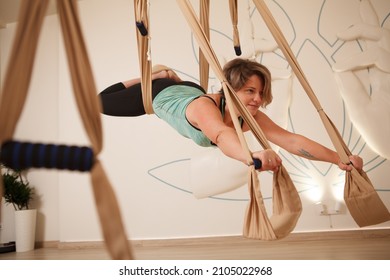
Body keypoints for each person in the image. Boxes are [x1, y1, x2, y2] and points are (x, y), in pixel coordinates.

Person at [98, 58, 363, 172]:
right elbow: (222, 134)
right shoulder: (205, 108)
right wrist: (252, 155)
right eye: (250, 91)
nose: (258, 99)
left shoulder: (251, 116)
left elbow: (290, 140)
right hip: (160, 93)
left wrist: (340, 158)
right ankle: (160, 74)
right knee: (98, 103)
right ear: (230, 88)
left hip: (189, 90)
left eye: (261, 92)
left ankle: (172, 78)